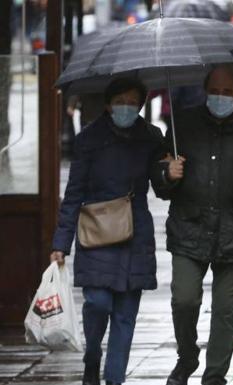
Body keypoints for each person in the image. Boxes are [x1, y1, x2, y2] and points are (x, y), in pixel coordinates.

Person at [154, 66, 233, 385]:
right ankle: (187, 356)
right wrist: (168, 175)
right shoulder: (182, 125)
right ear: (204, 90)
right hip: (189, 229)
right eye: (215, 90)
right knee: (184, 299)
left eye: (227, 92)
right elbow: (159, 184)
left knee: (226, 309)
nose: (220, 97)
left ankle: (215, 375)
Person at [49, 77, 166, 385]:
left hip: (135, 232)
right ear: (107, 103)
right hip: (96, 231)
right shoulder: (89, 139)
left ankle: (114, 380)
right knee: (98, 303)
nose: (126, 107)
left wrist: (172, 173)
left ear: (141, 105)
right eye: (120, 101)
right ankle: (92, 356)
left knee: (126, 316)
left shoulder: (151, 137)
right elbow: (73, 192)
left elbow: (163, 187)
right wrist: (61, 242)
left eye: (133, 102)